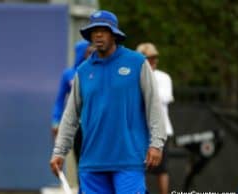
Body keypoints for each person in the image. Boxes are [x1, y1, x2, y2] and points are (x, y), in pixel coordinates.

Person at [50, 10, 167, 193]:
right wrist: (59, 151)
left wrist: (156, 144)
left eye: (103, 30)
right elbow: (70, 116)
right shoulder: (83, 71)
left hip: (128, 160)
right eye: (94, 30)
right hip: (92, 162)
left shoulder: (137, 63)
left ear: (114, 34)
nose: (98, 34)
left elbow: (154, 106)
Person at [137, 43, 174, 194]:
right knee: (137, 170)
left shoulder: (163, 77)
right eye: (149, 58)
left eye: (154, 58)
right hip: (139, 132)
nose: (153, 61)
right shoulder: (134, 76)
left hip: (161, 131)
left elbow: (163, 98)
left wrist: (147, 87)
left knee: (162, 170)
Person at [51, 40, 93, 164]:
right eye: (88, 52)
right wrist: (55, 121)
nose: (91, 55)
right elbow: (60, 99)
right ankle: (82, 183)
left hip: (94, 122)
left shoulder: (96, 71)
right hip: (78, 124)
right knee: (80, 159)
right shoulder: (69, 74)